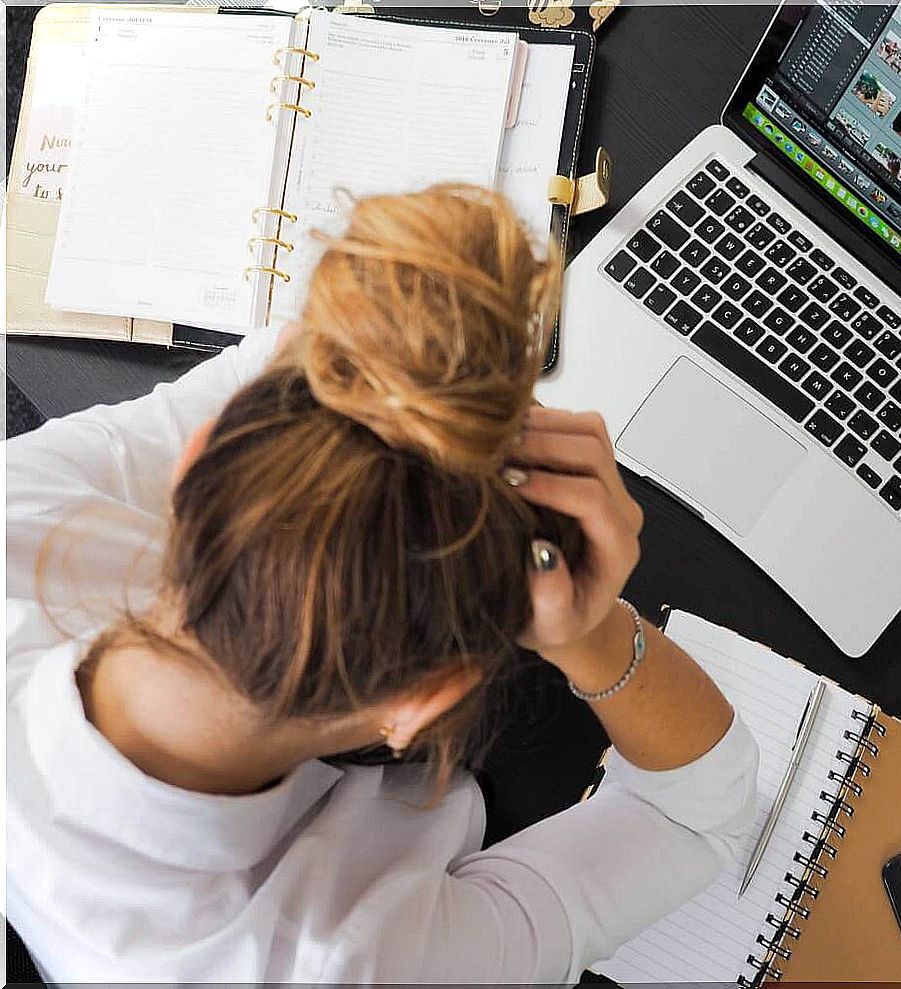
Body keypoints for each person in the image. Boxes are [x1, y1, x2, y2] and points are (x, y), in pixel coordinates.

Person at [6, 186, 759, 983]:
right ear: (420, 706)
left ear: (193, 464)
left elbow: (283, 356)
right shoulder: (355, 964)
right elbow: (695, 812)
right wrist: (593, 630)